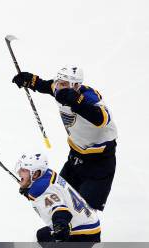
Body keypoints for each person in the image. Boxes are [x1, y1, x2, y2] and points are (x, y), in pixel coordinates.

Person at [12, 66, 117, 212]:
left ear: (76, 85)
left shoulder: (89, 96)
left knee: (85, 209)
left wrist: (78, 102)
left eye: (63, 83)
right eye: (59, 82)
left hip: (99, 162)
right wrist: (30, 80)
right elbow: (46, 85)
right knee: (59, 197)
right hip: (75, 157)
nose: (58, 87)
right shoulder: (60, 90)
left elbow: (102, 119)